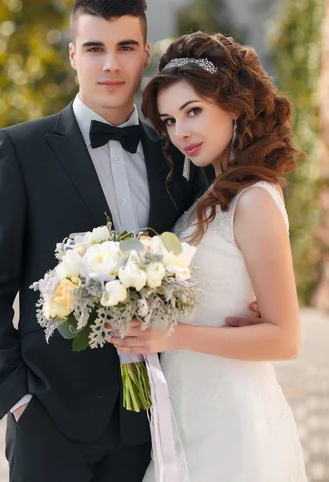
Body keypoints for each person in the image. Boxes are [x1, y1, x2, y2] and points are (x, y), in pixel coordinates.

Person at [0, 0, 210, 482]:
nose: (110, 65)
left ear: (145, 54)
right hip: (48, 418)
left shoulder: (177, 153)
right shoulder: (20, 151)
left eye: (124, 47)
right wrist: (16, 397)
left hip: (150, 421)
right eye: (95, 48)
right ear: (74, 54)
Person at [111, 31, 307, 481]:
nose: (181, 132)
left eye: (193, 111)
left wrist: (174, 335)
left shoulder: (254, 200)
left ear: (234, 107)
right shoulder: (211, 197)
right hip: (185, 412)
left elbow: (287, 339)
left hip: (231, 422)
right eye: (170, 120)